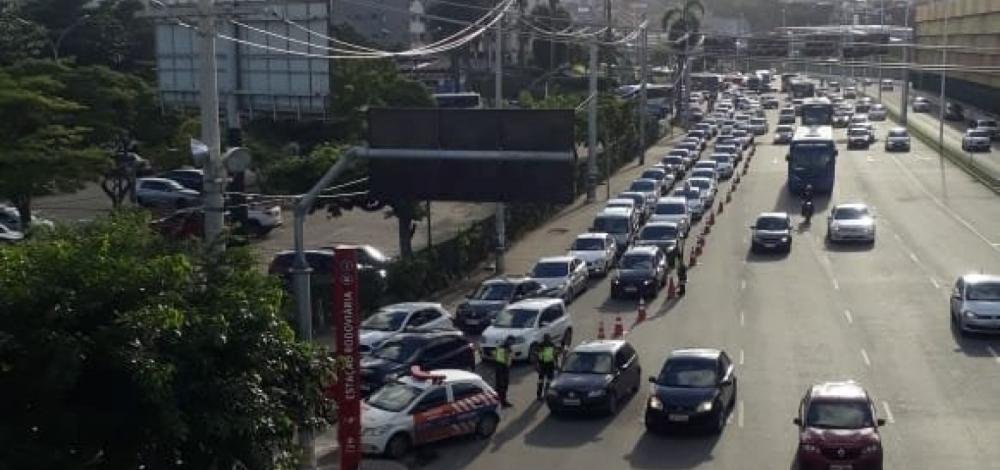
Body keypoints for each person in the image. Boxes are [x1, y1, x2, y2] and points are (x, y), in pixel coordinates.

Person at [535, 334, 560, 400]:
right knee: (541, 381)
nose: (548, 339)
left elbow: (555, 355)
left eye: (548, 338)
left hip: (549, 364)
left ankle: (545, 394)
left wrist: (556, 364)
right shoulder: (542, 345)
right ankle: (540, 395)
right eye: (547, 338)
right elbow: (537, 356)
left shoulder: (551, 345)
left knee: (548, 381)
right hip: (543, 365)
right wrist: (537, 365)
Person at [492, 337, 514, 407]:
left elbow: (494, 355)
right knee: (501, 386)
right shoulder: (504, 348)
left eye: (512, 342)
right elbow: (502, 360)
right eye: (511, 342)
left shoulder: (504, 347)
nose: (512, 344)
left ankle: (501, 401)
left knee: (502, 386)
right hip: (502, 370)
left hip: (503, 369)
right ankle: (501, 402)